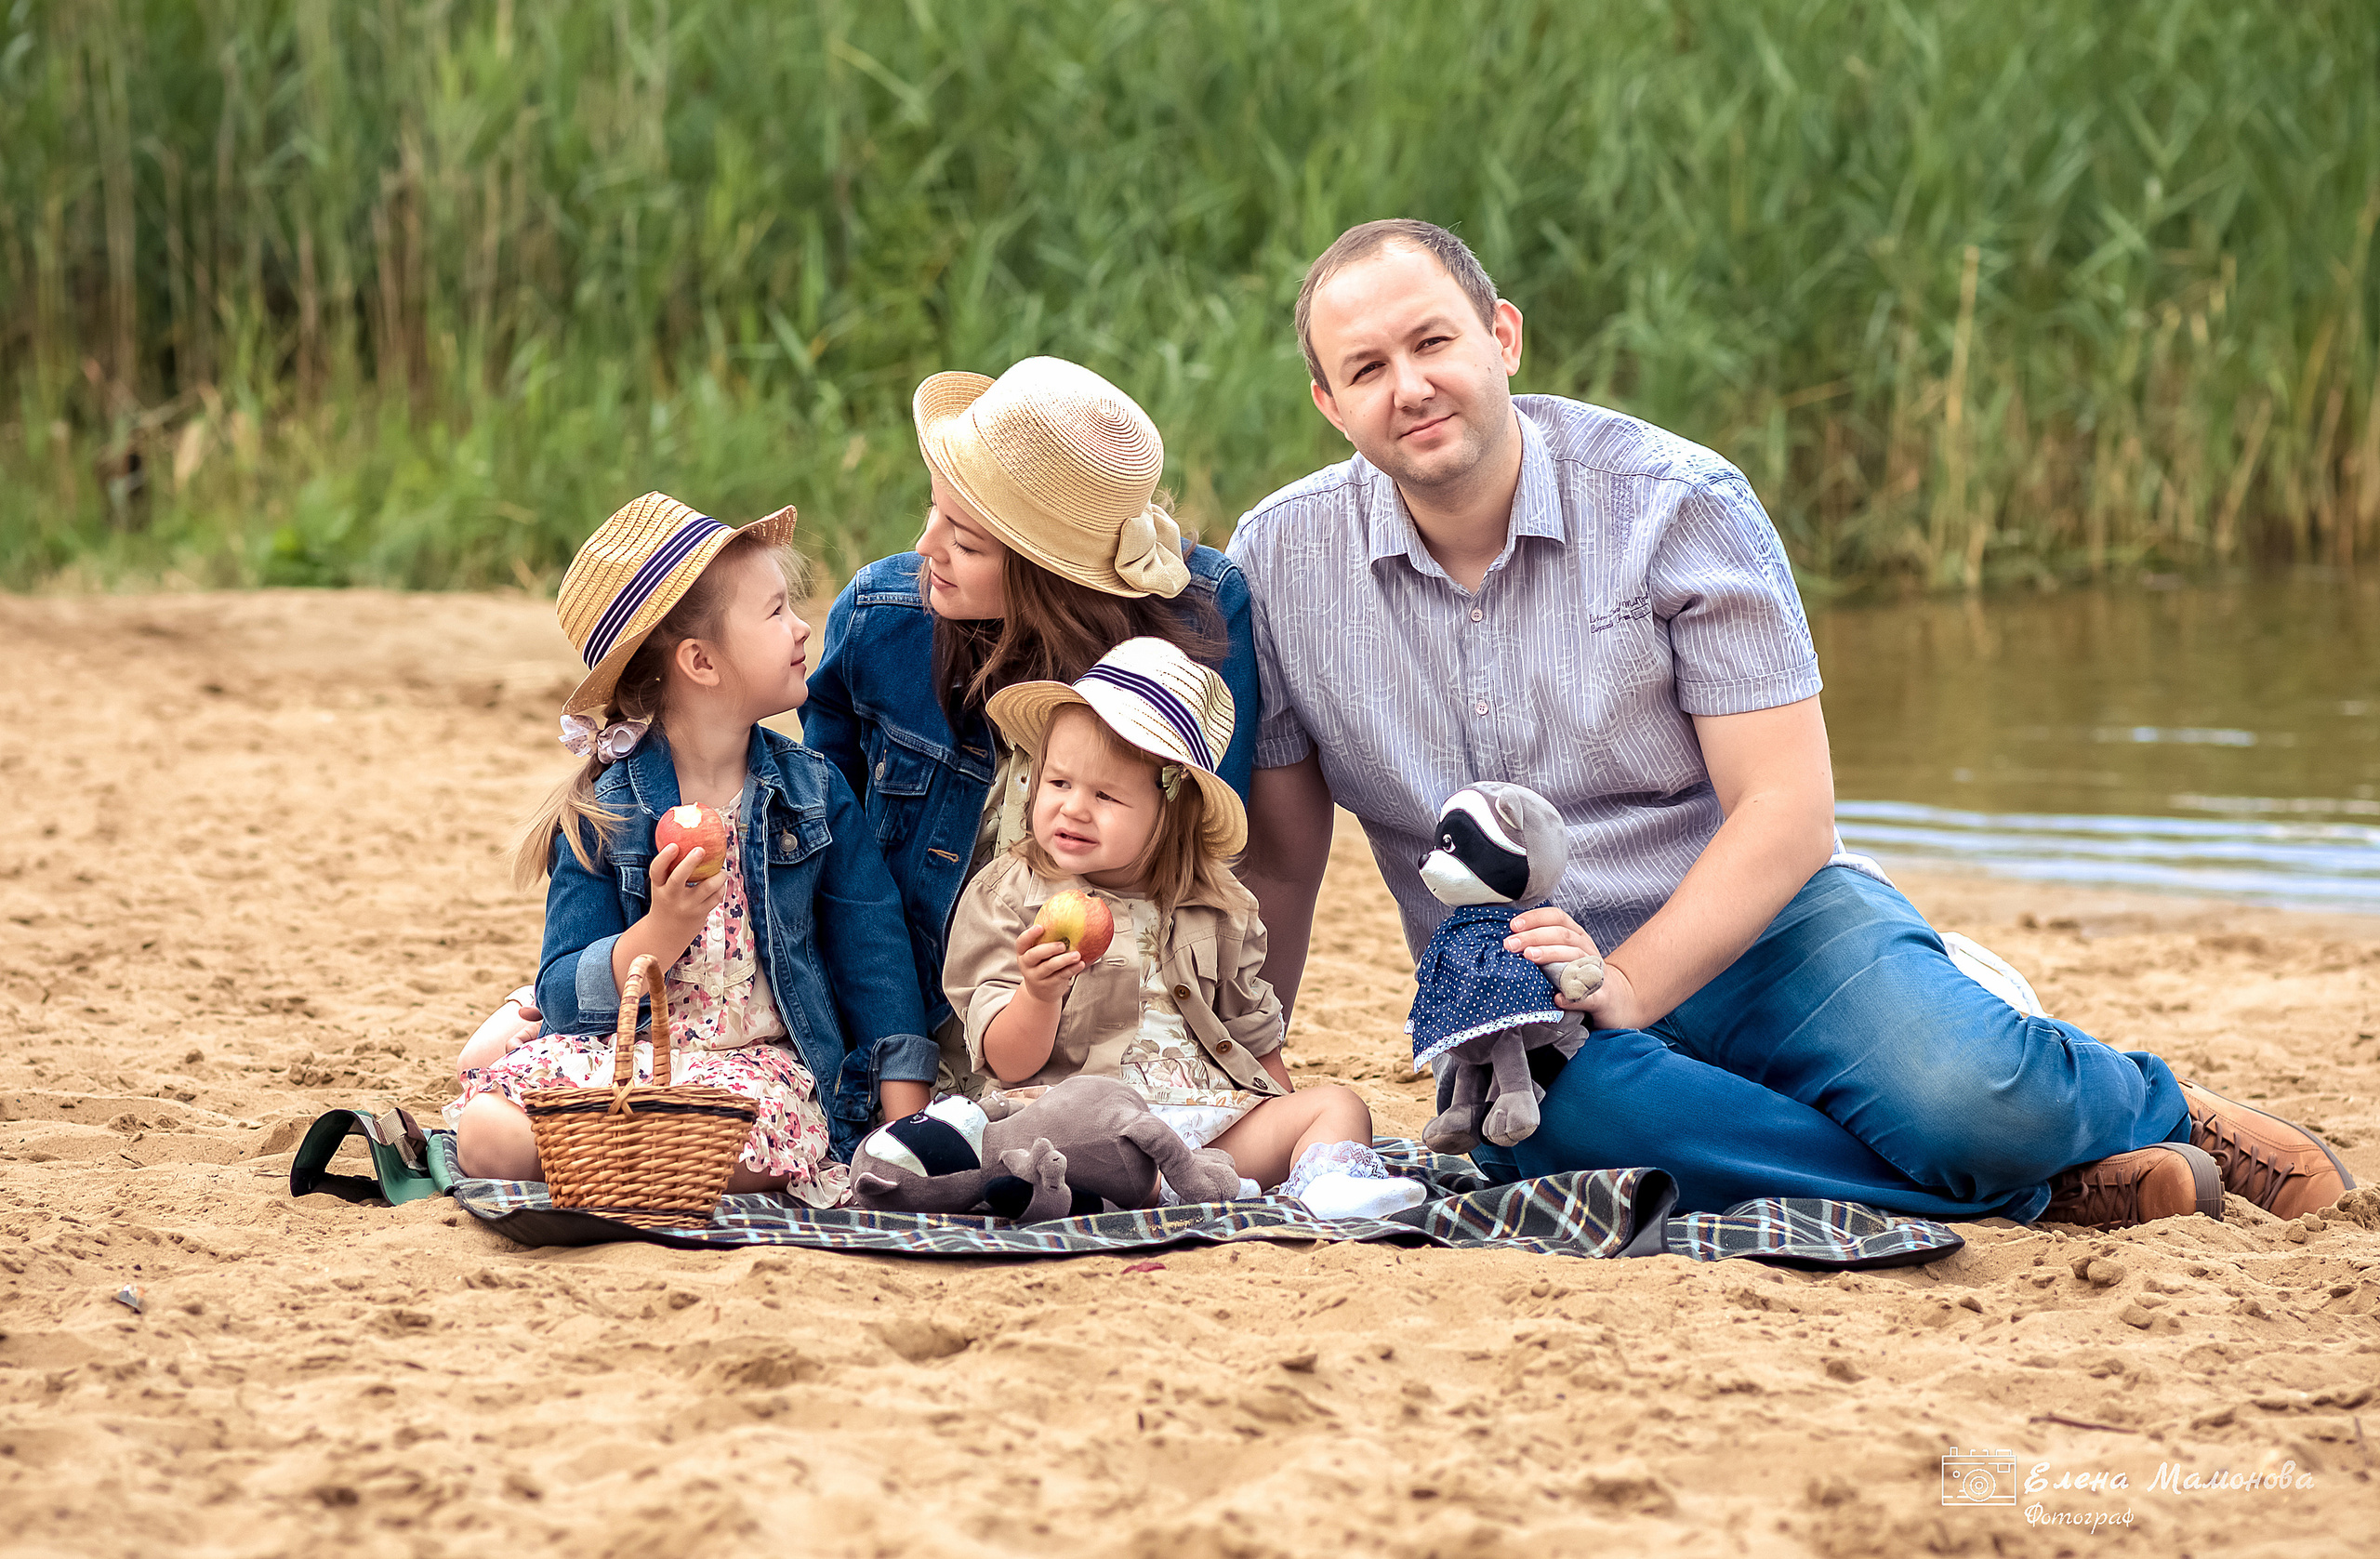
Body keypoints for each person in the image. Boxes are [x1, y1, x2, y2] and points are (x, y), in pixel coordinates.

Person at [1226, 218, 2355, 1227]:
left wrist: (1629, 983)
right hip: (1535, 1002)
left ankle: (2157, 1107)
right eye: (1365, 368)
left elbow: (1787, 811)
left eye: (1431, 343)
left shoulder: (1675, 501)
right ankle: (2046, 1190)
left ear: (1501, 338)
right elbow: (1281, 859)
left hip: (1769, 923)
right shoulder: (1281, 560)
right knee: (1578, 1146)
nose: (1408, 386)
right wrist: (1254, 1050)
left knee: (1971, 1099)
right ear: (1329, 404)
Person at [452, 494, 936, 1196]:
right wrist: (663, 928)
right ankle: (644, 1162)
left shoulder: (815, 794)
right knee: (486, 1133)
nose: (803, 626)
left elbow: (876, 957)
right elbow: (562, 991)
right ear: (700, 661)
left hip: (750, 1070)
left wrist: (903, 1135)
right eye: (775, 611)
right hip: (621, 1059)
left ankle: (614, 1163)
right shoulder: (606, 809)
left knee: (734, 1141)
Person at [800, 356, 1261, 1091]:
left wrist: (1238, 1069)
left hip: (1127, 1049)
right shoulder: (881, 619)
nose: (925, 548)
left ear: (1053, 576)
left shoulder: (1200, 621)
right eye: (934, 510)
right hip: (920, 1039)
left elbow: (1204, 869)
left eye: (968, 541)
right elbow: (835, 884)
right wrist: (897, 1080)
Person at [939, 637, 1425, 1220]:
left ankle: (1328, 1188)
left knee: (1339, 1106)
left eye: (1106, 795)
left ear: (1171, 812)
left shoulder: (1215, 906)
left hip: (1205, 1125)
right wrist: (1038, 994)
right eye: (1058, 783)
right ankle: (1157, 1190)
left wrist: (1285, 1120)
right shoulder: (1009, 894)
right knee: (1032, 1150)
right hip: (1086, 1126)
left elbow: (1252, 1032)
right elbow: (1006, 1062)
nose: (1072, 808)